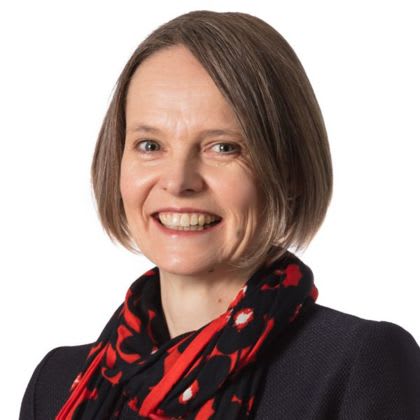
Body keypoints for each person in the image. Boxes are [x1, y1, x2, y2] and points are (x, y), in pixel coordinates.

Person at [20, 10, 420, 420]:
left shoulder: (357, 366)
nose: (178, 181)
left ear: (290, 170)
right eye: (150, 145)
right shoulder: (55, 385)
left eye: (223, 147)